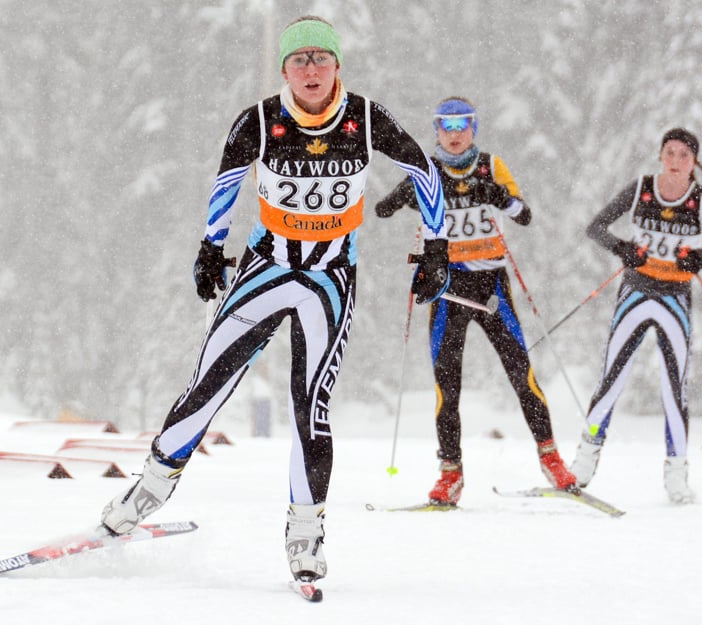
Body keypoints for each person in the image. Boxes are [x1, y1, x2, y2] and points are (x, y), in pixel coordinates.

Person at [100, 15, 449, 587]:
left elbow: (422, 169)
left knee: (310, 409)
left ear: (337, 65)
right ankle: (147, 492)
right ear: (285, 68)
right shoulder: (261, 120)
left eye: (321, 58)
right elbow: (226, 182)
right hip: (264, 269)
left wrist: (436, 248)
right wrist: (211, 248)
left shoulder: (365, 117)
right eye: (299, 59)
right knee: (205, 390)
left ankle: (305, 536)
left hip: (330, 279)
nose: (311, 69)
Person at [375, 97, 576, 506]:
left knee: (522, 374)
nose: (453, 134)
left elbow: (524, 214)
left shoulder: (491, 165)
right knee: (447, 386)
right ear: (436, 131)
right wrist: (406, 194)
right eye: (445, 126)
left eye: (461, 125)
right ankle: (450, 473)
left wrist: (499, 197)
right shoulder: (428, 171)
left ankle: (551, 458)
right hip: (446, 288)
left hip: (492, 287)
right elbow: (382, 210)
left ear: (473, 129)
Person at [570, 128, 702, 503]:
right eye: (670, 153)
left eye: (684, 155)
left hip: (675, 301)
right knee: (611, 382)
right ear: (660, 156)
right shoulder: (640, 189)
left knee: (673, 389)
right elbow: (595, 227)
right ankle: (584, 462)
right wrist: (623, 249)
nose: (676, 161)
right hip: (635, 294)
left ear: (695, 162)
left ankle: (677, 477)